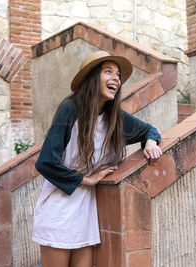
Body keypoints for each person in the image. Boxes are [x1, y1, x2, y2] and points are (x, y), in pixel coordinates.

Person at [32, 51, 162, 267]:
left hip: (86, 214)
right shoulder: (70, 109)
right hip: (59, 210)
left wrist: (150, 142)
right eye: (108, 72)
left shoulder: (115, 118)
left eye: (118, 75)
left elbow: (149, 130)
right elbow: (45, 162)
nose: (116, 79)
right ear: (92, 77)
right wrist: (87, 179)